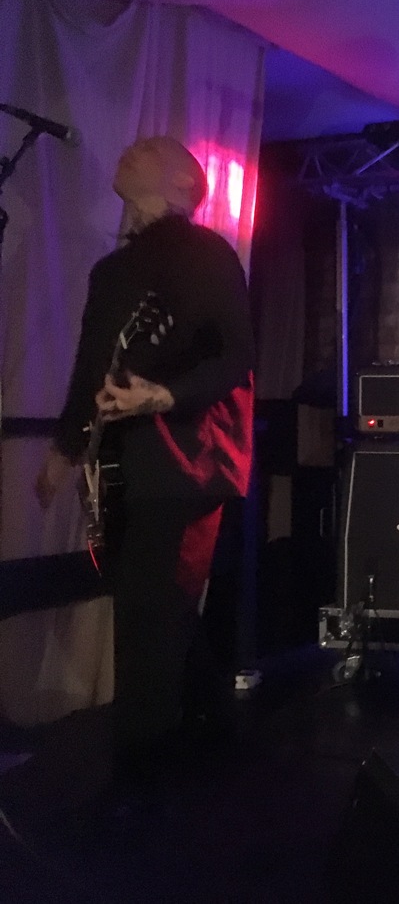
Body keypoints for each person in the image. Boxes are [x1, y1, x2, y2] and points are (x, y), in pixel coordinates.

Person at [34, 135, 255, 819]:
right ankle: (216, 738)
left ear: (179, 184)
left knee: (148, 616)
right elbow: (90, 368)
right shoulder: (113, 271)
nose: (133, 151)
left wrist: (165, 394)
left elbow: (236, 355)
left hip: (185, 460)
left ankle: (139, 780)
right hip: (132, 464)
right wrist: (66, 449)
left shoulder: (206, 253)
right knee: (159, 608)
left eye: (152, 151)